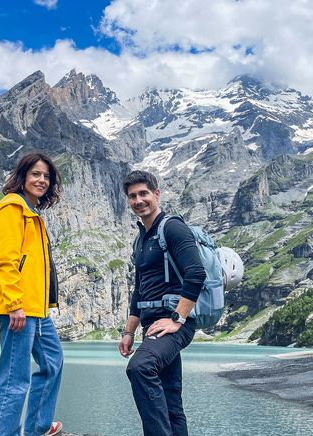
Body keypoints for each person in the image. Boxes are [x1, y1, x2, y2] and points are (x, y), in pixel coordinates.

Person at [118, 170, 206, 436]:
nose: (138, 200)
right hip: (152, 326)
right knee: (170, 400)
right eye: (132, 196)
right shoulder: (141, 239)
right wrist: (128, 332)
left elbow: (196, 273)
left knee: (140, 367)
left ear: (156, 194)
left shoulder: (173, 228)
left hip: (174, 324)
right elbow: (139, 291)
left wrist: (177, 319)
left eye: (143, 193)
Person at [0, 152, 64, 436]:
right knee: (14, 377)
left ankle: (37, 427)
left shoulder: (32, 213)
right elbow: (4, 262)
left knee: (53, 362)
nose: (41, 180)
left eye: (46, 176)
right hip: (18, 308)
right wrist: (14, 304)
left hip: (37, 309)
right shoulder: (11, 209)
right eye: (35, 174)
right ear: (22, 177)